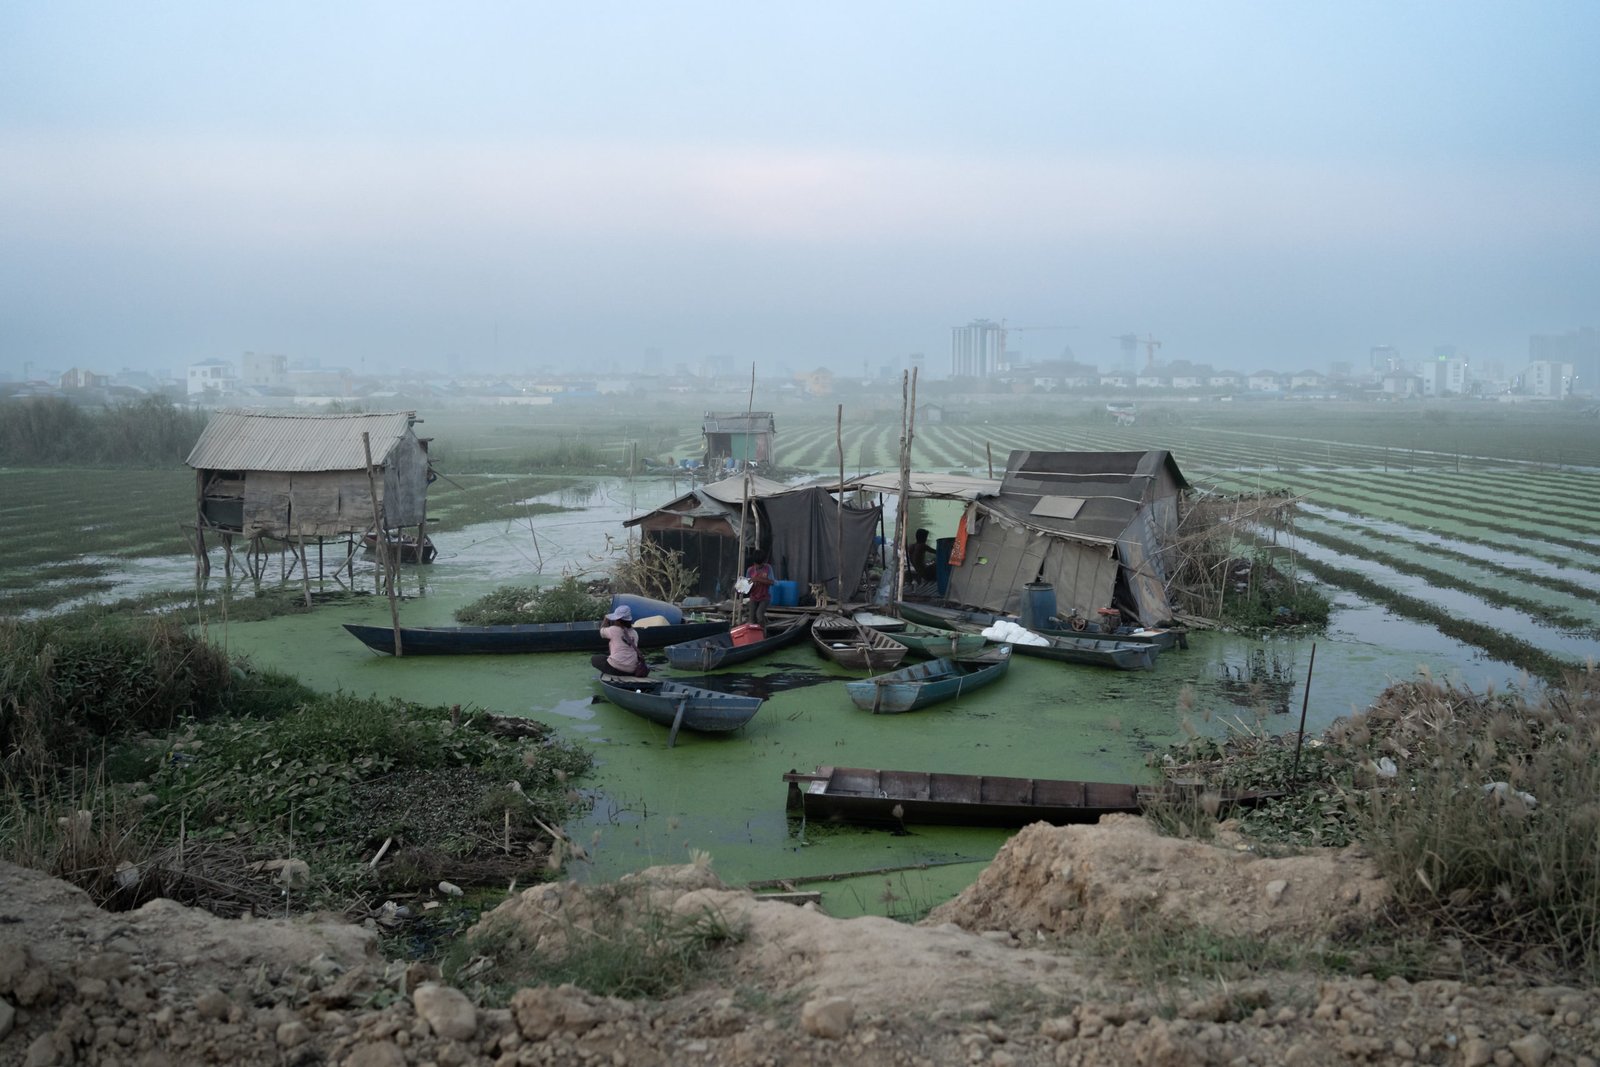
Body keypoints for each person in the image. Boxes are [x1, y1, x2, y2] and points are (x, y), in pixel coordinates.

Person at [591, 605, 649, 677]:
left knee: (595, 659)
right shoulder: (635, 633)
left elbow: (601, 631)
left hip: (616, 668)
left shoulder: (613, 630)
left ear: (618, 620)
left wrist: (605, 620)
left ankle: (610, 673)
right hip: (631, 670)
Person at [744, 550, 775, 628]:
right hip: (753, 597)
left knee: (759, 615)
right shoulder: (750, 570)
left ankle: (763, 633)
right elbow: (746, 585)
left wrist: (758, 579)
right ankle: (753, 635)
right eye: (756, 564)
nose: (758, 566)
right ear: (754, 563)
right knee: (751, 619)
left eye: (760, 565)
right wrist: (739, 588)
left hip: (764, 597)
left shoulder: (768, 568)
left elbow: (772, 582)